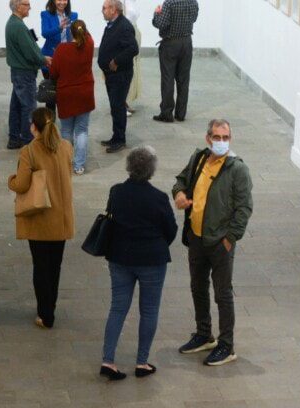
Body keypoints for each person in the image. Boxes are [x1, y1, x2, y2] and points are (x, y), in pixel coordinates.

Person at [172, 119, 253, 366]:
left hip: (220, 242)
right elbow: (181, 180)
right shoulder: (198, 158)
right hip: (196, 237)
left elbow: (244, 208)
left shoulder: (237, 169)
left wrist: (230, 239)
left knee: (223, 294)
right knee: (197, 286)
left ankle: (226, 345)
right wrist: (179, 194)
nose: (221, 142)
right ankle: (204, 334)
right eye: (216, 137)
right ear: (208, 138)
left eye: (225, 137)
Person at [99, 146, 178, 381]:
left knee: (117, 308)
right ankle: (142, 362)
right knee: (149, 310)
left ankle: (108, 359)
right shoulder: (159, 198)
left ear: (129, 166)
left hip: (120, 257)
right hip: (152, 260)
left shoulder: (116, 192)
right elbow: (171, 230)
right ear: (151, 170)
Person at [8, 108, 75, 329]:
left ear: (33, 126)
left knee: (41, 266)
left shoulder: (29, 151)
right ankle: (50, 311)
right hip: (62, 218)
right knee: (55, 267)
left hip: (40, 218)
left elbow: (22, 184)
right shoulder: (66, 147)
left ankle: (44, 313)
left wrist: (11, 180)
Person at [48, 19, 94, 175]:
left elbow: (53, 73)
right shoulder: (89, 46)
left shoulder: (61, 49)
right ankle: (79, 165)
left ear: (70, 32)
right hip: (85, 94)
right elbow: (88, 36)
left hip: (66, 94)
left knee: (66, 131)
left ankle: (66, 162)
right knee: (82, 131)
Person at [5, 0, 50, 149]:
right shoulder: (18, 26)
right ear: (18, 6)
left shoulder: (13, 23)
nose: (29, 7)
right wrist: (44, 60)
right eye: (26, 4)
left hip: (18, 72)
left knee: (17, 106)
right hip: (24, 73)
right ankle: (28, 139)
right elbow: (30, 52)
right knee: (29, 107)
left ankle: (14, 137)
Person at [97, 0, 138, 154]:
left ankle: (120, 139)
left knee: (118, 106)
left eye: (104, 8)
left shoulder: (124, 26)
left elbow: (133, 49)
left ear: (113, 9)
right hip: (111, 74)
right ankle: (116, 136)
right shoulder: (113, 24)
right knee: (115, 106)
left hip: (120, 74)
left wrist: (116, 61)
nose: (102, 11)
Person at [151, 0, 198, 123]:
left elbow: (161, 23)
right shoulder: (193, 2)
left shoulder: (169, 3)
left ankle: (167, 113)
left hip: (170, 44)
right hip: (187, 42)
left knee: (168, 78)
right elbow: (194, 19)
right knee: (183, 80)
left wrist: (156, 13)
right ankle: (181, 114)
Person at [40, 0, 78, 113]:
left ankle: (66, 119)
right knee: (51, 93)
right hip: (50, 58)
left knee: (66, 91)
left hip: (67, 59)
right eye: (59, 0)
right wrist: (59, 28)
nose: (62, 2)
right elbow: (45, 33)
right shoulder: (46, 14)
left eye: (64, 0)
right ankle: (50, 124)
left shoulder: (73, 15)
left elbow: (75, 35)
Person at [123, 0, 141, 116]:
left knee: (132, 70)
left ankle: (124, 101)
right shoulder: (121, 2)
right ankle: (121, 103)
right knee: (124, 69)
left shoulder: (133, 1)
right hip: (126, 33)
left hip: (134, 33)